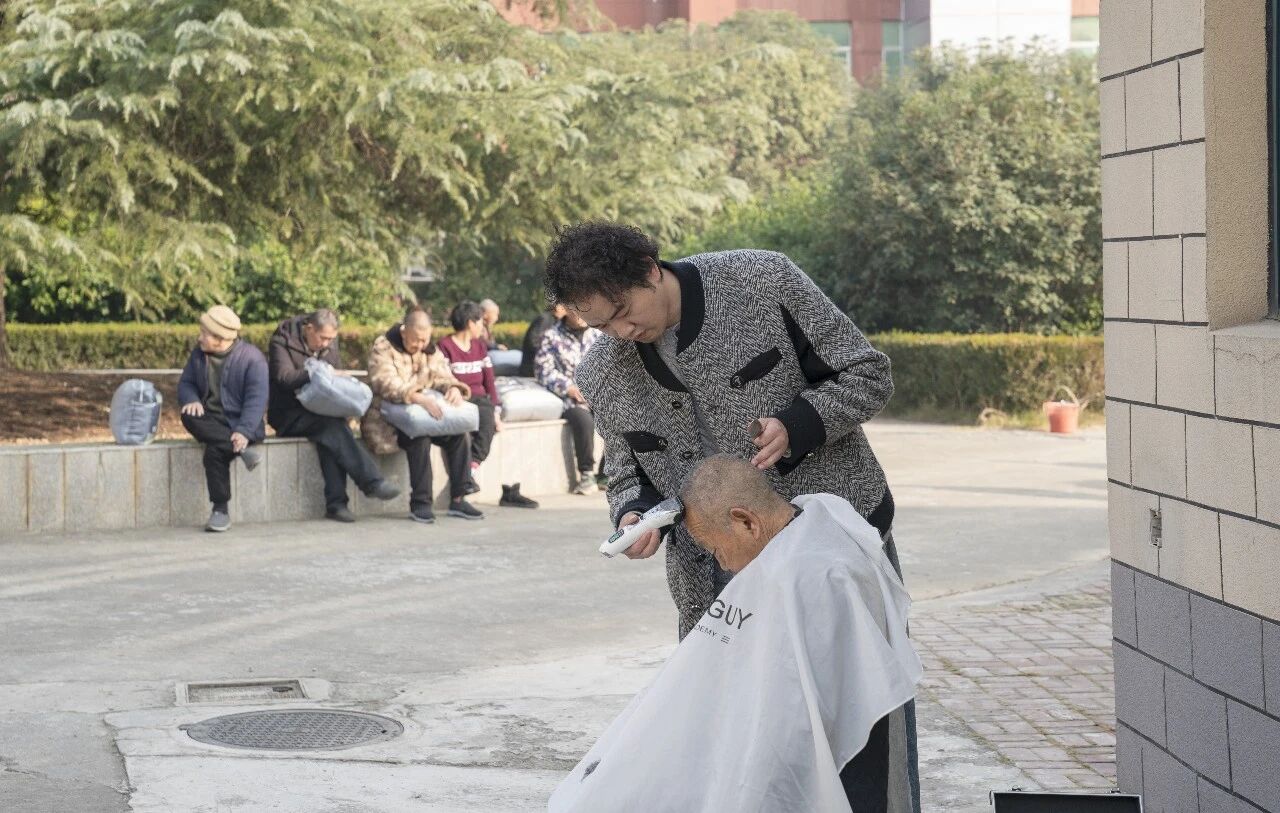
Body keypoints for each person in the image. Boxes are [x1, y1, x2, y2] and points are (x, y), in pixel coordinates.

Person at [543, 221, 917, 809]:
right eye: (601, 326)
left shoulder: (762, 280)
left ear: (650, 270)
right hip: (717, 576)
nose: (621, 333)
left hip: (828, 557)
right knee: (745, 742)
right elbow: (626, 469)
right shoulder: (602, 372)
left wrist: (798, 424)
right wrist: (633, 513)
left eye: (623, 312)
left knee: (862, 719)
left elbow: (868, 373)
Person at [549, 455, 920, 813]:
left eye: (715, 548)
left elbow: (799, 712)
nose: (721, 563)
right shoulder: (807, 528)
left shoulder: (810, 576)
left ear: (746, 522)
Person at [267, 308, 400, 523]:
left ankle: (338, 505)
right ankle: (370, 483)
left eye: (331, 339)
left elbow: (335, 380)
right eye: (323, 338)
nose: (326, 343)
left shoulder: (328, 344)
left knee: (333, 432)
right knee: (331, 428)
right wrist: (316, 373)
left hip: (323, 411)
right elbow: (284, 378)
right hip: (289, 413)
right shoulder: (282, 341)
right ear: (309, 329)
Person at [360, 305, 484, 524]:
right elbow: (384, 383)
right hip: (387, 420)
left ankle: (459, 497)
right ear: (404, 332)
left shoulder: (430, 350)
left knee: (459, 435)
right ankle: (421, 503)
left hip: (426, 414)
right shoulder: (383, 348)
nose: (420, 345)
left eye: (424, 340)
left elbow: (442, 376)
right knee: (419, 438)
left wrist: (453, 388)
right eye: (415, 340)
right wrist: (415, 396)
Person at [177, 305, 269, 533]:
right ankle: (242, 451)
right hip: (211, 422)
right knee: (188, 415)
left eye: (204, 334)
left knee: (214, 452)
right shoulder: (199, 355)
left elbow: (256, 400)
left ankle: (220, 510)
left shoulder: (252, 359)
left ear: (219, 339)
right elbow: (186, 383)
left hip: (243, 424)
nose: (199, 338)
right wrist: (192, 399)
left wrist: (243, 431)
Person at [533, 308, 602, 495]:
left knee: (618, 416)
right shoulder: (551, 336)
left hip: (598, 395)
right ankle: (587, 474)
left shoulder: (598, 333)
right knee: (583, 421)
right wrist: (568, 388)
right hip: (570, 399)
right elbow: (543, 370)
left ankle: (606, 473)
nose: (579, 315)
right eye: (574, 309)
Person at [438, 301, 502, 494]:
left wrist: (497, 411)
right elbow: (441, 377)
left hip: (480, 400)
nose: (483, 326)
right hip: (458, 399)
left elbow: (489, 381)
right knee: (464, 432)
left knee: (488, 420)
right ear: (470, 323)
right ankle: (466, 479)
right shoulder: (445, 346)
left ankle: (470, 470)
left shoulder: (480, 346)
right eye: (480, 322)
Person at [517, 303, 566, 378]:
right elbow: (533, 342)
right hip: (533, 368)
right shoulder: (545, 319)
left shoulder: (557, 321)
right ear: (557, 307)